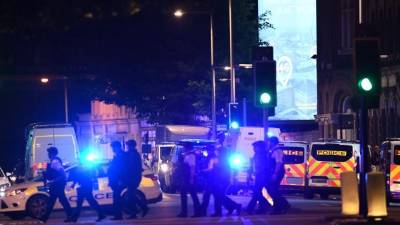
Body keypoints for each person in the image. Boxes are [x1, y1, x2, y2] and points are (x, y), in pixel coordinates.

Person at [41, 147, 73, 222]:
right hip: (57, 184)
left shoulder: (55, 161)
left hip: (57, 184)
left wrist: (55, 180)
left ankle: (44, 218)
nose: (48, 154)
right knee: (61, 200)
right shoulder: (53, 161)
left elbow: (62, 173)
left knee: (52, 201)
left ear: (52, 153)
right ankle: (71, 215)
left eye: (49, 153)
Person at [125, 139, 149, 219]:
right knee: (131, 196)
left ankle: (135, 213)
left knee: (130, 196)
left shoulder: (133, 155)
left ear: (131, 146)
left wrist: (134, 178)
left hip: (133, 178)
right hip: (132, 178)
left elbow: (134, 168)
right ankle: (143, 208)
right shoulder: (132, 154)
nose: (127, 147)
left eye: (128, 145)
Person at [176, 143, 201, 217]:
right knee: (191, 195)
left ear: (187, 148)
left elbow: (192, 167)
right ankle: (191, 212)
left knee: (189, 195)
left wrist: (191, 178)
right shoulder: (187, 155)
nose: (183, 149)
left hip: (188, 178)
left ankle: (189, 212)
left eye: (184, 147)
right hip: (187, 178)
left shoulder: (191, 156)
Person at [266, 136, 290, 214]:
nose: (268, 143)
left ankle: (280, 207)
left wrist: (275, 173)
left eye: (269, 142)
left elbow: (279, 163)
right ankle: (282, 205)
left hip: (277, 173)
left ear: (272, 142)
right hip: (275, 173)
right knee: (273, 190)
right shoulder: (273, 150)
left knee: (273, 191)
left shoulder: (277, 151)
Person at [246, 140, 271, 214]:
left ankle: (252, 209)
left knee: (257, 193)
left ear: (260, 147)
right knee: (257, 193)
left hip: (262, 177)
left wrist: (252, 174)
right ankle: (258, 208)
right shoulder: (257, 155)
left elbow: (263, 167)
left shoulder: (263, 156)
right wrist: (249, 174)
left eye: (255, 147)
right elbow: (252, 166)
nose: (254, 148)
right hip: (259, 176)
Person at [108, 141, 127, 220]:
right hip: (115, 180)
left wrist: (120, 180)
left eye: (113, 147)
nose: (113, 149)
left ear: (118, 147)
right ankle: (117, 215)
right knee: (116, 198)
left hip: (118, 181)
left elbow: (122, 169)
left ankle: (118, 215)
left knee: (117, 198)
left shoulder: (121, 156)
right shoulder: (118, 155)